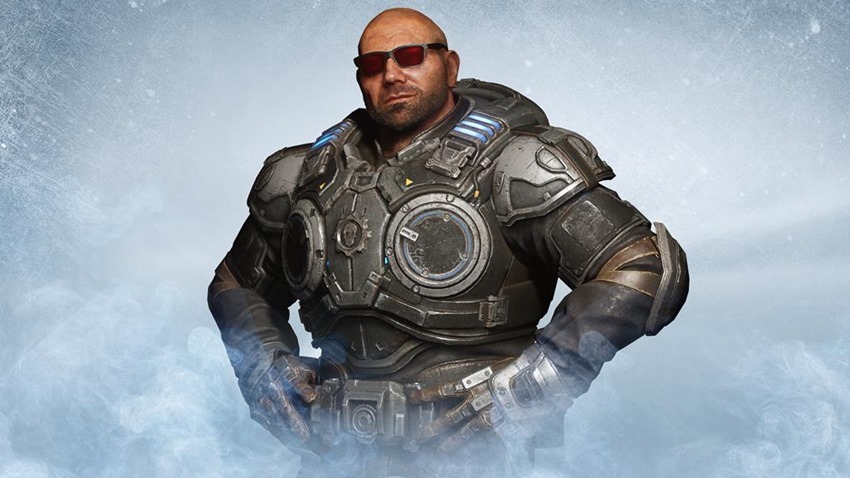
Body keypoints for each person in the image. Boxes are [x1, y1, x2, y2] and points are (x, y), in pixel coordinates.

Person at [208, 8, 689, 478]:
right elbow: (237, 284)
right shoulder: (307, 174)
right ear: (360, 78)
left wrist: (539, 382)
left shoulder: (515, 164)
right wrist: (264, 367)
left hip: (472, 448)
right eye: (373, 65)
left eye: (410, 56)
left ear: (450, 65)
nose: (392, 75)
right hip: (333, 450)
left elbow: (643, 269)